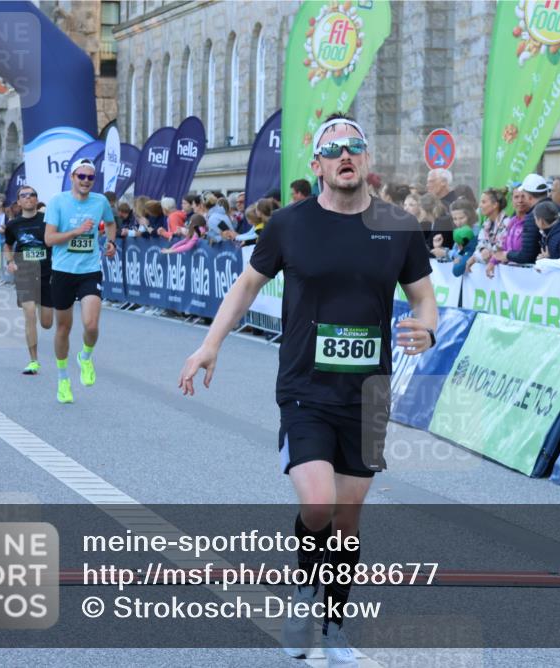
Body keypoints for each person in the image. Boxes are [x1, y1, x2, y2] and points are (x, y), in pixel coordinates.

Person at [178, 113, 437, 667]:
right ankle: (303, 590)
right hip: (305, 386)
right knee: (317, 503)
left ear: (367, 161)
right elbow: (248, 283)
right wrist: (210, 343)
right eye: (334, 148)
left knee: (347, 520)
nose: (347, 154)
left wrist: (428, 324)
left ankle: (335, 625)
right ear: (317, 165)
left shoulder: (398, 226)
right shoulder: (289, 225)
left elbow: (423, 295)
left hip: (368, 396)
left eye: (356, 146)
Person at [43, 158, 117, 404]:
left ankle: (85, 357)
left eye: (90, 177)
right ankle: (63, 379)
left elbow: (111, 223)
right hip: (63, 271)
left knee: (92, 325)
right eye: (81, 176)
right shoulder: (58, 202)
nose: (86, 181)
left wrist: (111, 241)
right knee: (63, 328)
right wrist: (76, 232)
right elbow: (49, 239)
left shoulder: (100, 201)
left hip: (89, 270)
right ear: (72, 177)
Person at [3, 184, 54, 374]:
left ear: (36, 199)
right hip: (24, 272)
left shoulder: (47, 220)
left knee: (47, 323)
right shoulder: (13, 225)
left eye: (32, 195)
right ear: (19, 202)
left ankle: (42, 302)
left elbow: (56, 239)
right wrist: (10, 262)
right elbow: (7, 245)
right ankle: (34, 360)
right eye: (24, 195)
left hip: (47, 272)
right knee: (29, 313)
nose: (28, 198)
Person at [497, 173, 549, 266]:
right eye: (516, 197)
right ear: (512, 200)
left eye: (523, 196)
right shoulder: (510, 221)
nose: (520, 201)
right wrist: (493, 261)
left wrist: (508, 256)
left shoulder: (535, 219)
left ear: (529, 197)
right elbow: (502, 247)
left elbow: (529, 253)